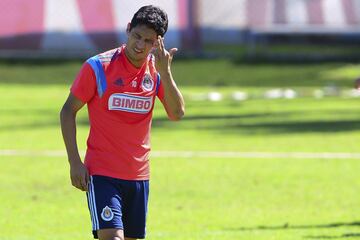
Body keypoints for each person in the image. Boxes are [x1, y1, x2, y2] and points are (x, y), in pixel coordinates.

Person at [60, 5, 185, 240]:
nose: (140, 45)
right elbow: (68, 111)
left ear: (158, 42)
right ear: (128, 30)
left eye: (148, 41)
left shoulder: (156, 72)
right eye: (137, 36)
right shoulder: (98, 67)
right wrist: (75, 162)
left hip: (138, 176)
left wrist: (165, 73)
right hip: (102, 173)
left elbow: (177, 113)